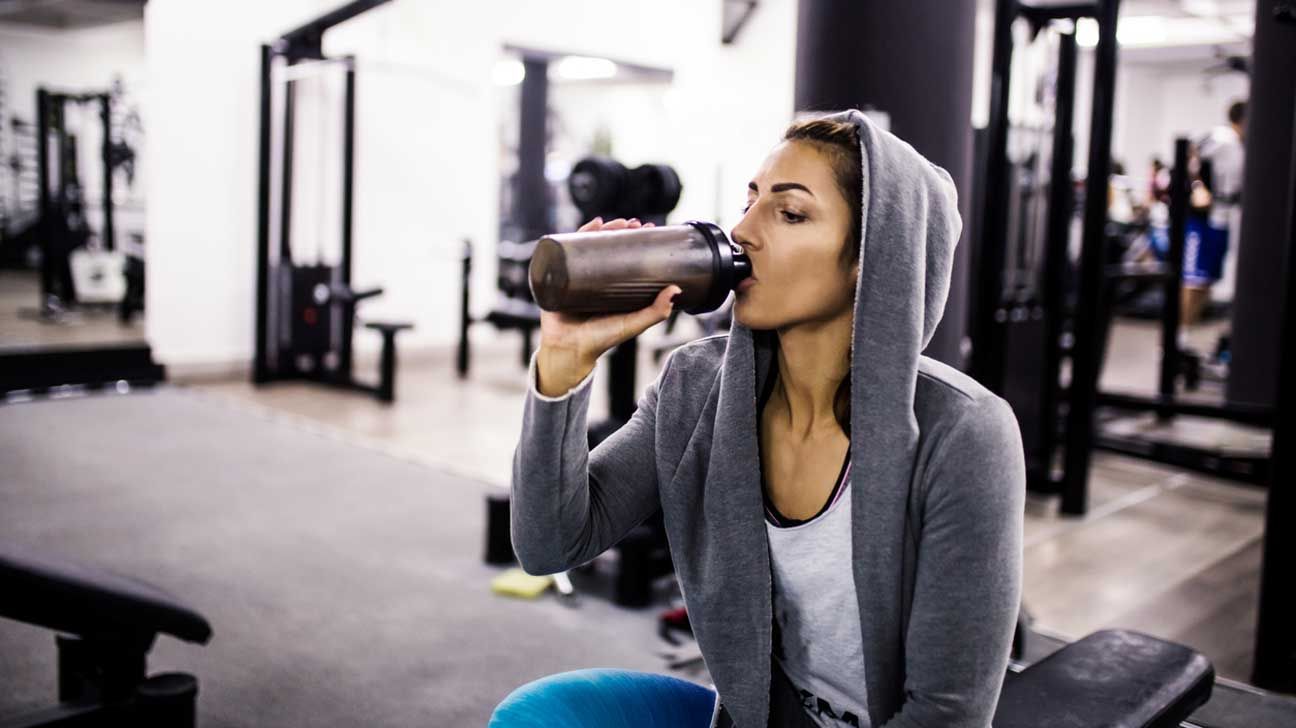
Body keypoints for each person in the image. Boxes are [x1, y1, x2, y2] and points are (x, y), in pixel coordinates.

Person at [492, 110, 1025, 728]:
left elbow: (945, 716)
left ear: (870, 258)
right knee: (537, 717)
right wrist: (563, 362)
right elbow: (549, 542)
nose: (743, 230)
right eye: (751, 200)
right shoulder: (697, 387)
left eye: (790, 212)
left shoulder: (965, 434)